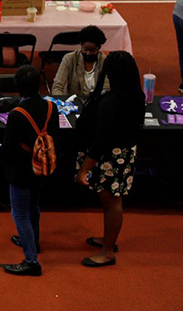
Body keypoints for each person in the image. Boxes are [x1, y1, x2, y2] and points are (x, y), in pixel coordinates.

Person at [75, 51, 145, 268]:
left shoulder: (110, 103)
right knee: (110, 201)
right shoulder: (136, 95)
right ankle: (108, 240)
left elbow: (100, 142)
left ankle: (107, 252)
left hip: (109, 159)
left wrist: (84, 169)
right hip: (123, 155)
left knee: (112, 202)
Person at [2, 64, 60, 277]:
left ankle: (31, 261)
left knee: (19, 214)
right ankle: (34, 241)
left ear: (18, 87)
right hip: (43, 168)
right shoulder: (51, 108)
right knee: (34, 205)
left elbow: (9, 148)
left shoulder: (17, 114)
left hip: (21, 171)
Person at [51, 25, 108, 97]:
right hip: (75, 101)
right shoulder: (69, 58)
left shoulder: (104, 61)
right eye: (85, 49)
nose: (88, 53)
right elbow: (57, 86)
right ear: (81, 45)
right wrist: (61, 102)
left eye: (93, 50)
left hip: (97, 101)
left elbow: (106, 88)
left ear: (99, 48)